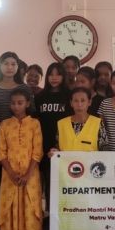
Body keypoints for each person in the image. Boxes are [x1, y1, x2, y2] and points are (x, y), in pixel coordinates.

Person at [0, 52, 34, 230]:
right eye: (6, 63)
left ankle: (18, 222)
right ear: (0, 65)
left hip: (20, 145)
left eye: (13, 63)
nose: (10, 67)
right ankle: (0, 223)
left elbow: (31, 115)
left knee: (20, 185)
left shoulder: (24, 88)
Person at [0, 88, 43, 230]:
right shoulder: (4, 124)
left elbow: (37, 152)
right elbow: (1, 152)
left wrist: (28, 174)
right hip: (9, 178)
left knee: (30, 213)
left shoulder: (34, 124)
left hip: (30, 178)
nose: (16, 106)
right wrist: (11, 172)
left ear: (27, 104)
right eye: (13, 103)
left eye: (20, 103)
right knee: (10, 214)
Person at [34, 62, 71, 213]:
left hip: (63, 145)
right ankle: (49, 217)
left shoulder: (68, 96)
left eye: (58, 74)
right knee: (46, 183)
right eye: (51, 74)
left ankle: (64, 216)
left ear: (64, 76)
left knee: (62, 183)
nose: (54, 78)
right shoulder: (40, 97)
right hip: (43, 145)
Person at [51, 87, 103, 154]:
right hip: (66, 164)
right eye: (76, 101)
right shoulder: (61, 123)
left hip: (90, 164)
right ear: (71, 103)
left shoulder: (98, 123)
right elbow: (57, 146)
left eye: (83, 100)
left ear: (89, 102)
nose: (79, 105)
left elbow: (105, 151)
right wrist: (53, 152)